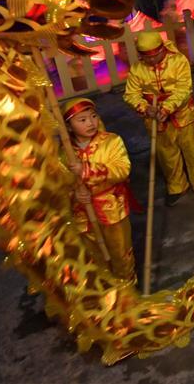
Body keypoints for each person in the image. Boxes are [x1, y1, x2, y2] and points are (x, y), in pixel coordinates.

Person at [124, 31, 194, 205]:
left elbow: (184, 90)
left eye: (155, 55)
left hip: (183, 113)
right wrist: (145, 108)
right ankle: (176, 186)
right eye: (145, 57)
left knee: (193, 148)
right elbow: (130, 94)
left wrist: (167, 108)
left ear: (162, 49)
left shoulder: (178, 61)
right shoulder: (136, 69)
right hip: (154, 118)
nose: (151, 61)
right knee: (166, 154)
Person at [62, 97, 137, 284]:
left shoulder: (111, 141)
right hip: (83, 214)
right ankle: (108, 295)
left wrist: (86, 171)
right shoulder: (65, 152)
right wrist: (75, 194)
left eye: (93, 116)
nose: (91, 123)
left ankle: (128, 291)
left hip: (112, 210)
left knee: (121, 253)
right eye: (82, 120)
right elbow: (60, 181)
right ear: (69, 126)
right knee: (94, 256)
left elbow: (122, 169)